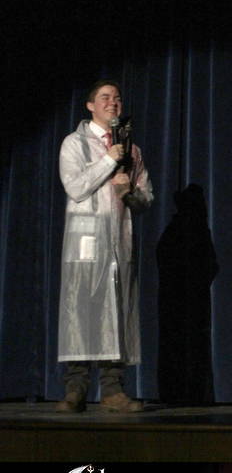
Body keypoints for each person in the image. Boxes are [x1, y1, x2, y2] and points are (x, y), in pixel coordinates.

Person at [55, 80, 153, 413]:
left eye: (117, 98)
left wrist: (129, 193)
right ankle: (75, 389)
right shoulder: (74, 144)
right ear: (90, 105)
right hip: (86, 241)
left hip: (118, 241)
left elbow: (146, 198)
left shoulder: (132, 150)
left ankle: (113, 390)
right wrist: (108, 161)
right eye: (105, 97)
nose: (113, 102)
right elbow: (75, 187)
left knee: (117, 313)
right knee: (81, 312)